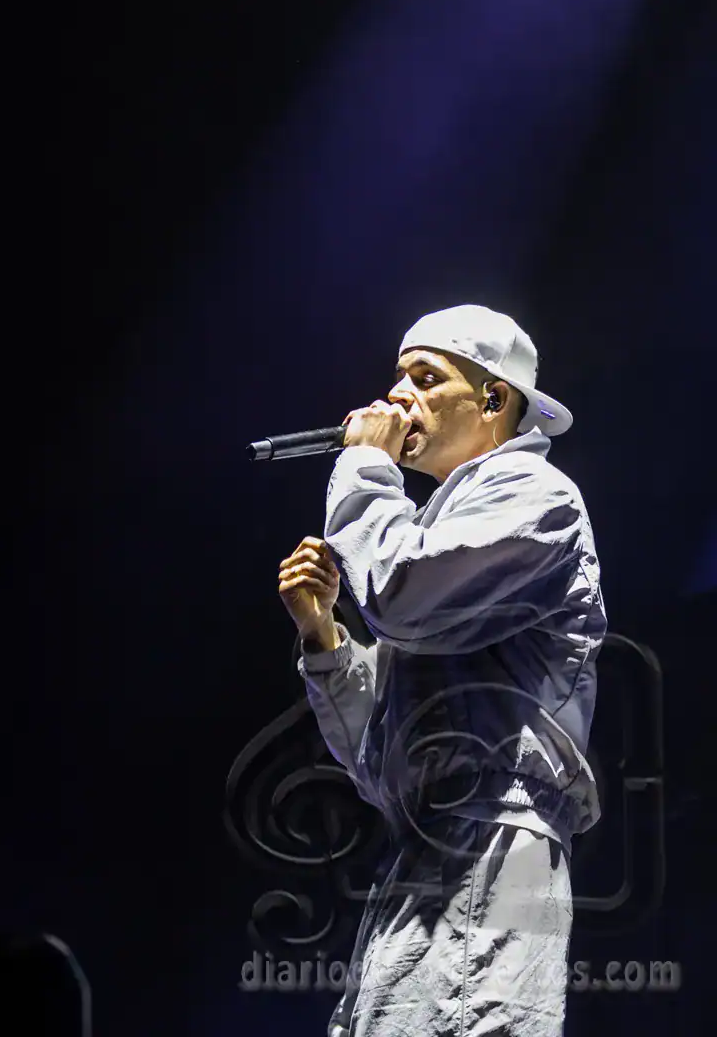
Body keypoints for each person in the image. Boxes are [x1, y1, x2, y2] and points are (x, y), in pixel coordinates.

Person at [278, 304, 605, 1037]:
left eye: (426, 378)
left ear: (493, 399)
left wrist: (364, 468)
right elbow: (377, 764)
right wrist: (322, 633)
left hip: (487, 853)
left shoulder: (537, 496)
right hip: (422, 860)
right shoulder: (434, 528)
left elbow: (398, 597)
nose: (397, 396)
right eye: (398, 377)